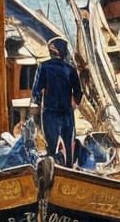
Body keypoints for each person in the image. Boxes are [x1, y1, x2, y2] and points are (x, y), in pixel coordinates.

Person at [32, 37, 83, 166]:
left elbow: (36, 91)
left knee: (51, 146)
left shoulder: (43, 67)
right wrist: (74, 102)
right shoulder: (70, 69)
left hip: (50, 113)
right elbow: (78, 93)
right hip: (66, 112)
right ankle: (69, 169)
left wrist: (38, 103)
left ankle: (53, 170)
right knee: (68, 144)